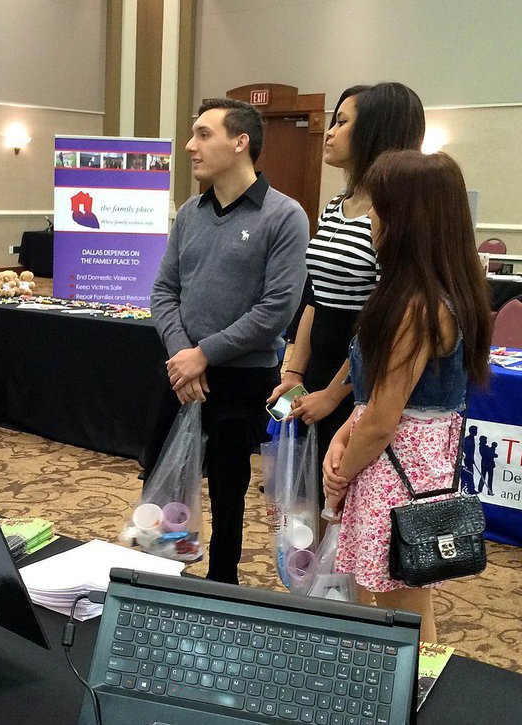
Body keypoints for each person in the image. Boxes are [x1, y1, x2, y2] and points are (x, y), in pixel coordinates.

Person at [322, 150, 492, 643]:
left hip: (395, 476)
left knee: (404, 612)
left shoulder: (418, 306)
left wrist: (340, 477)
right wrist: (344, 438)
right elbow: (371, 401)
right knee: (389, 602)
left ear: (409, 217)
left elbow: (382, 419)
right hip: (401, 469)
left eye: (380, 206)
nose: (371, 216)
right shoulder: (429, 292)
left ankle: (406, 700)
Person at [149, 98, 309, 584]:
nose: (190, 146)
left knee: (227, 494)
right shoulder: (190, 213)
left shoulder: (284, 216)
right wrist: (183, 355)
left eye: (203, 134)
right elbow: (163, 292)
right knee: (162, 489)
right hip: (182, 374)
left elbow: (276, 310)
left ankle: (222, 587)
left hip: (241, 380)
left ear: (240, 143)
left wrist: (204, 354)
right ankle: (156, 582)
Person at [267, 83, 425, 503]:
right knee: (301, 508)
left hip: (362, 378)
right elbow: (316, 297)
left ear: (374, 131)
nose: (330, 133)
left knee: (341, 504)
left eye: (341, 123)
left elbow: (383, 325)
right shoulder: (338, 202)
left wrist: (337, 392)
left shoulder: (392, 214)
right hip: (319, 371)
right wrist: (295, 374)